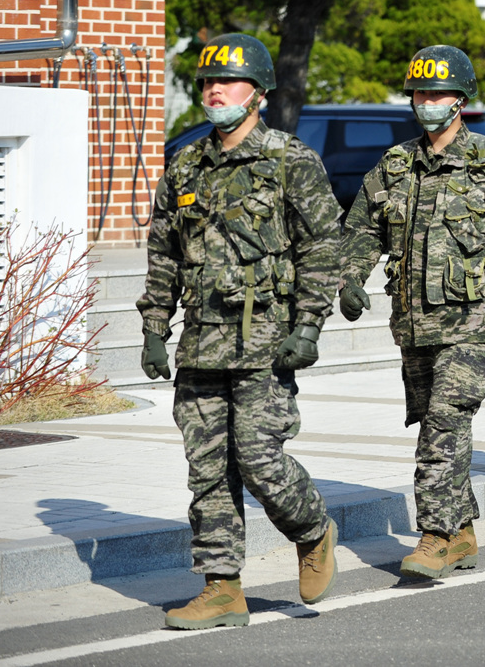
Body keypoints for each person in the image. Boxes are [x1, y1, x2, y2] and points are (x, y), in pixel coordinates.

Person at [137, 33, 341, 629]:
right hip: (200, 341)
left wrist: (308, 324)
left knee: (258, 459)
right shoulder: (186, 164)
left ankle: (311, 527)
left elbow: (322, 245)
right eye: (206, 83)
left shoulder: (289, 159)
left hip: (266, 341)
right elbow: (164, 252)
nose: (215, 91)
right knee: (207, 468)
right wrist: (154, 325)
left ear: (259, 93)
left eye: (228, 81)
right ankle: (222, 587)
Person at [337, 45, 485, 579]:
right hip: (413, 322)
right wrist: (350, 278)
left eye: (436, 92)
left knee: (444, 422)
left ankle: (434, 535)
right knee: (434, 426)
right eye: (418, 92)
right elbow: (362, 228)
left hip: (471, 321)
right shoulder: (395, 165)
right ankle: (460, 531)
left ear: (460, 100)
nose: (425, 101)